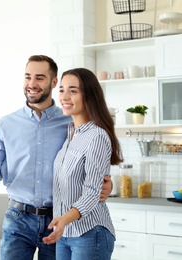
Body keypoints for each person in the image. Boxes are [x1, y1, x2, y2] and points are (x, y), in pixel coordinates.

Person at [0, 55, 112, 260]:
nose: (32, 84)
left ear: (54, 82)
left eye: (39, 78)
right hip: (18, 218)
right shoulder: (6, 124)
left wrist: (106, 184)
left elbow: (92, 162)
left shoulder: (71, 121)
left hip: (60, 219)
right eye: (28, 77)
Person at [42, 68, 123, 259]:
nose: (64, 96)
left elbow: (92, 193)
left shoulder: (97, 136)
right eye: (61, 90)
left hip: (90, 232)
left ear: (89, 95)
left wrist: (64, 219)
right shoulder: (70, 134)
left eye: (73, 90)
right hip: (65, 233)